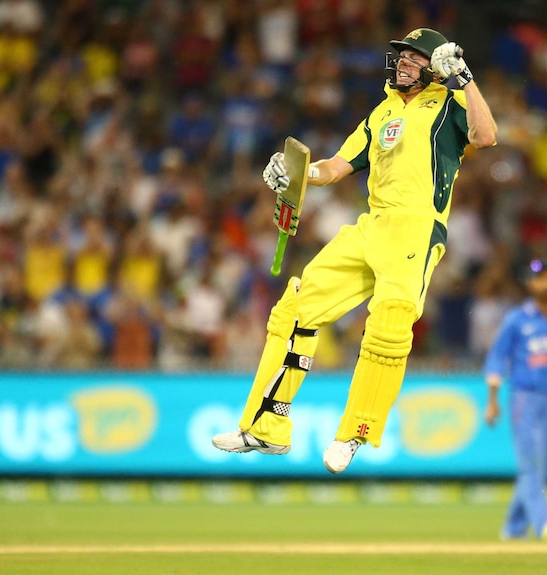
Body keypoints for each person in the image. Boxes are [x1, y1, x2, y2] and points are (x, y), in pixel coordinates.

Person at [212, 28, 497, 474]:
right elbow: (336, 167)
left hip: (417, 226)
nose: (401, 62)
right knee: (293, 310)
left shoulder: (450, 103)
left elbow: (486, 137)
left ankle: (355, 434)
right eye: (399, 55)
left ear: (434, 66)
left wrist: (464, 79)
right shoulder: (380, 113)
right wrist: (297, 175)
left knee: (388, 325)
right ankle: (266, 428)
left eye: (412, 57)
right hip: (372, 225)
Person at [483, 259, 547, 541]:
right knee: (530, 463)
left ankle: (514, 528)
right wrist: (492, 400)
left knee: (544, 465)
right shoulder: (517, 320)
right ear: (530, 284)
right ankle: (544, 523)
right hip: (523, 398)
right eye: (540, 278)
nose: (546, 283)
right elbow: (497, 358)